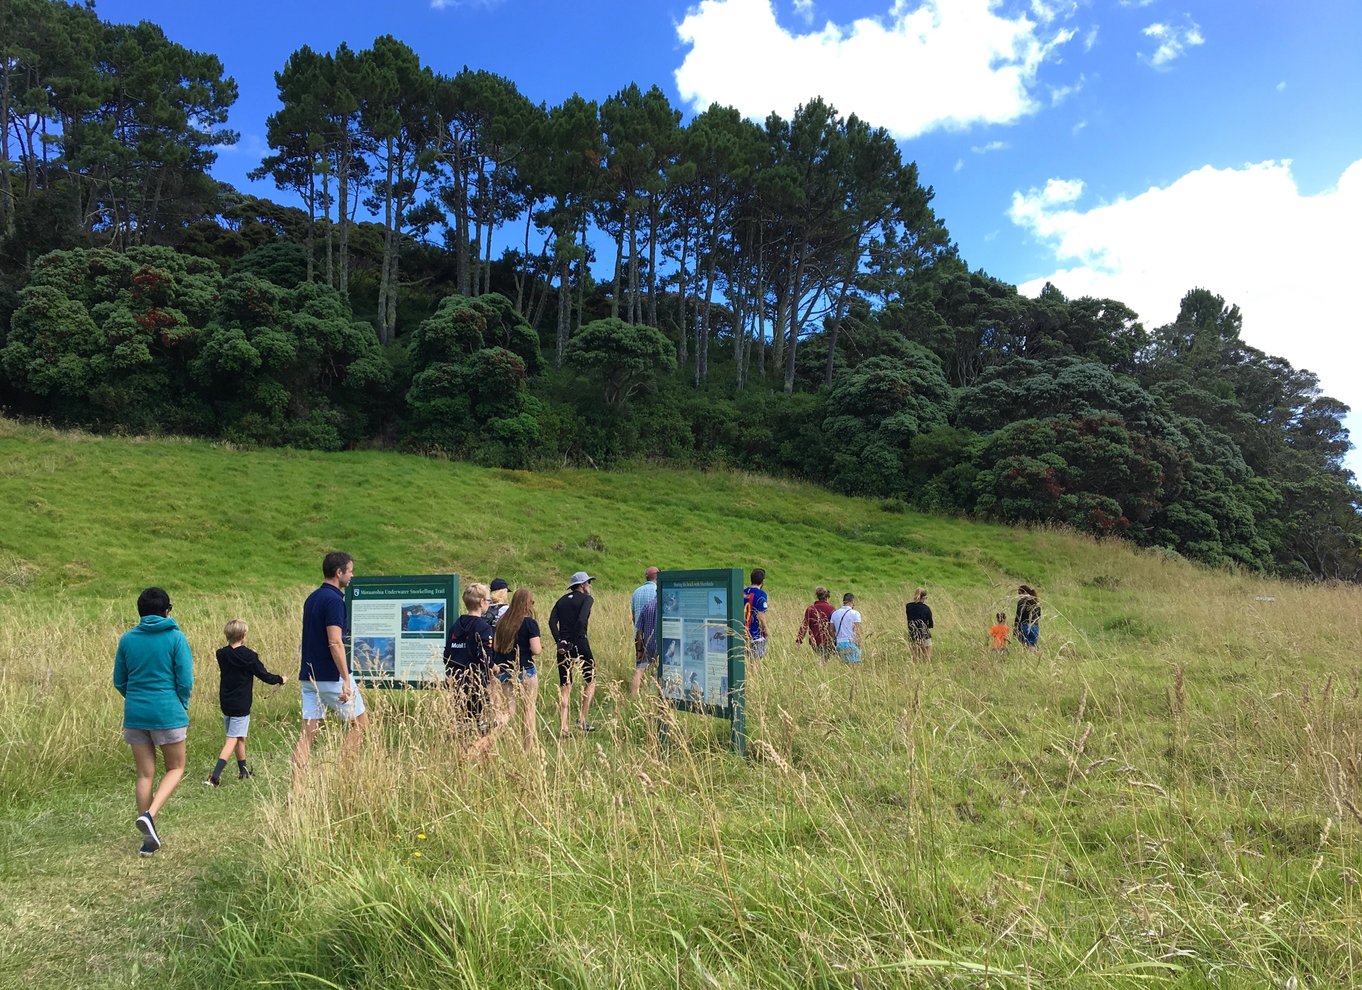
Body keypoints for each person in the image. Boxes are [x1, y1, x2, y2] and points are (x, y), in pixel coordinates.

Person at [113, 587, 192, 857]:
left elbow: (119, 681)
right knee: (176, 767)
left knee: (145, 774)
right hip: (167, 712)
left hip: (135, 713)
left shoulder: (127, 639)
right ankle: (150, 815)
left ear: (140, 612)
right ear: (167, 611)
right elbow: (185, 680)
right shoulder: (175, 638)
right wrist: (181, 704)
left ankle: (148, 841)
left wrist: (134, 698)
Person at [293, 551, 368, 775]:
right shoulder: (335, 600)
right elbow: (335, 642)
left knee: (307, 734)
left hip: (309, 676)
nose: (352, 576)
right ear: (339, 572)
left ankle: (296, 789)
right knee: (360, 725)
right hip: (330, 676)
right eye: (350, 571)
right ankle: (344, 778)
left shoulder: (312, 598)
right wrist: (345, 678)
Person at [207, 618, 286, 787]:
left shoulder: (221, 654)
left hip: (226, 701)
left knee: (239, 736)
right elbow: (264, 675)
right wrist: (280, 679)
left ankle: (243, 771)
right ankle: (215, 776)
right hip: (241, 704)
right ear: (243, 635)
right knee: (232, 739)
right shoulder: (249, 656)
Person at [489, 587, 543, 751]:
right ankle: (527, 749)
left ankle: (491, 735)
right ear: (527, 604)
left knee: (509, 711)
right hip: (525, 670)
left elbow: (496, 646)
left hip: (504, 671)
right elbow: (536, 650)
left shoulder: (502, 622)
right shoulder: (529, 623)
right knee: (528, 710)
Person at [549, 571, 597, 735]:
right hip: (580, 641)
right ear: (582, 585)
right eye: (588, 583)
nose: (589, 586)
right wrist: (573, 639)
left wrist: (560, 641)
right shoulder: (587, 599)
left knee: (565, 683)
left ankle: (563, 727)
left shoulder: (561, 601)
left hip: (563, 646)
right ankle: (582, 719)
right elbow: (582, 619)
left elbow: (552, 621)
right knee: (590, 679)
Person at [445, 582, 494, 727]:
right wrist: (494, 669)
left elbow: (447, 654)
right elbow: (485, 657)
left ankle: (461, 748)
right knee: (479, 723)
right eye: (488, 601)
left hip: (456, 679)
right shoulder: (483, 627)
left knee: (460, 723)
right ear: (482, 602)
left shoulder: (455, 625)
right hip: (476, 681)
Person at [630, 566, 659, 696]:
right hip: (655, 633)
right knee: (655, 666)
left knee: (640, 665)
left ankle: (635, 695)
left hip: (640, 634)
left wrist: (638, 631)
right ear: (657, 577)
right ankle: (651, 692)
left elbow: (634, 615)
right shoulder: (657, 591)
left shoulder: (636, 592)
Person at [795, 586, 836, 664]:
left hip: (815, 641)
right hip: (828, 641)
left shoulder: (810, 609)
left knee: (821, 659)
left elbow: (804, 625)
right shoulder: (832, 609)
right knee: (825, 661)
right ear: (827, 597)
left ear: (817, 596)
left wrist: (799, 640)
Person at [742, 568, 769, 667]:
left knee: (744, 662)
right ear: (762, 581)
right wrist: (765, 630)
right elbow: (761, 616)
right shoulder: (762, 595)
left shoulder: (743, 592)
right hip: (755, 634)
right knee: (755, 662)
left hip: (742, 632)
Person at [828, 592, 863, 664]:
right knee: (854, 668)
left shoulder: (835, 613)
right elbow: (857, 631)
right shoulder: (855, 613)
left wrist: (836, 639)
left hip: (839, 644)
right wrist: (859, 645)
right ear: (852, 602)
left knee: (844, 667)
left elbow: (831, 630)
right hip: (851, 643)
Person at [905, 587, 934, 661]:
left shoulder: (908, 606)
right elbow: (930, 624)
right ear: (924, 597)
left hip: (912, 634)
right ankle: (926, 666)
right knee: (927, 655)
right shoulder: (926, 608)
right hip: (924, 634)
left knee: (914, 658)